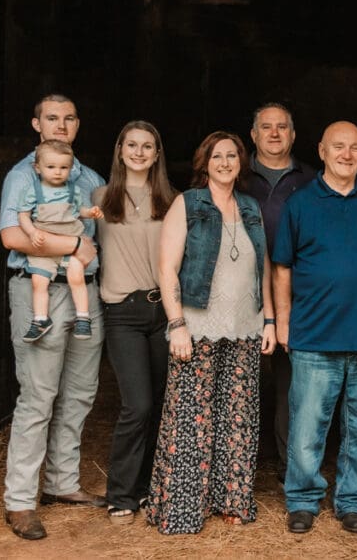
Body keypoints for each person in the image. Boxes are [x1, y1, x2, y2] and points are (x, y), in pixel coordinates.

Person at [146, 131, 277, 534]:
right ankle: (182, 508)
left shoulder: (251, 207)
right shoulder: (187, 204)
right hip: (197, 326)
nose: (225, 162)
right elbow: (166, 267)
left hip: (246, 327)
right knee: (191, 417)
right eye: (217, 156)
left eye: (232, 155)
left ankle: (231, 500)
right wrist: (177, 324)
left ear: (241, 162)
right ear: (205, 163)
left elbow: (265, 268)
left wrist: (269, 320)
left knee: (238, 418)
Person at [272, 121, 357, 535]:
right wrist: (284, 323)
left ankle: (352, 502)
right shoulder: (301, 203)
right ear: (321, 151)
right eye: (338, 147)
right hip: (314, 336)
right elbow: (282, 269)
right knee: (308, 427)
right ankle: (303, 500)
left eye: (355, 147)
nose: (347, 154)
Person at [0, 94, 106, 540]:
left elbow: (106, 238)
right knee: (39, 394)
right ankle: (21, 499)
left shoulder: (91, 179)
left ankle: (63, 482)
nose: (60, 125)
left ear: (77, 125)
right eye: (51, 118)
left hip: (85, 293)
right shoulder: (23, 175)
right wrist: (73, 246)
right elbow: (10, 235)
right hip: (38, 288)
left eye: (68, 119)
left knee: (80, 391)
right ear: (36, 124)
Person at [93, 121, 178, 524]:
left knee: (160, 403)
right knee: (137, 404)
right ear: (120, 149)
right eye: (132, 144)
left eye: (148, 145)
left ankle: (147, 487)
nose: (140, 152)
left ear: (157, 153)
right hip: (122, 312)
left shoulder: (173, 201)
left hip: (162, 310)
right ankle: (121, 493)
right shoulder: (99, 199)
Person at [243, 102, 315, 480]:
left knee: (293, 387)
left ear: (293, 134)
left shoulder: (312, 180)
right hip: (239, 293)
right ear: (253, 135)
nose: (274, 133)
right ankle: (239, 469)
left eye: (282, 127)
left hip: (295, 294)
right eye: (266, 127)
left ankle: (291, 469)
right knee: (239, 384)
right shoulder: (234, 174)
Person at [18, 139, 104, 343]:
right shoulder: (34, 190)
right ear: (37, 167)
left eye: (64, 167)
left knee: (76, 275)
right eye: (51, 167)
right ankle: (41, 319)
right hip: (45, 246)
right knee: (39, 282)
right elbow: (23, 215)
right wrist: (31, 232)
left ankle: (83, 316)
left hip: (69, 242)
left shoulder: (72, 190)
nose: (57, 172)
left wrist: (89, 212)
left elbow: (77, 211)